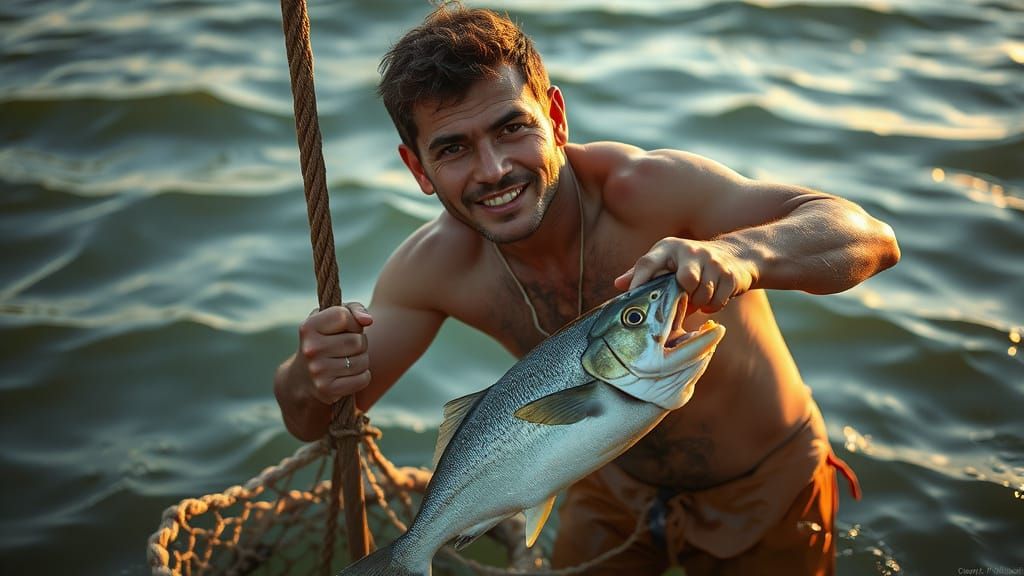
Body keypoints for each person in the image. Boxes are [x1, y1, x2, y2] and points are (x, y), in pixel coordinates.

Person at [273, 4, 899, 575]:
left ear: (555, 117)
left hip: (764, 487)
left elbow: (870, 238)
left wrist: (738, 253)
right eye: (454, 148)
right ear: (418, 169)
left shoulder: (653, 191)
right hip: (604, 488)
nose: (493, 170)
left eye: (512, 128)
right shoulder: (432, 270)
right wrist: (312, 374)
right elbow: (316, 421)